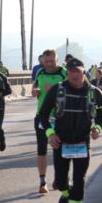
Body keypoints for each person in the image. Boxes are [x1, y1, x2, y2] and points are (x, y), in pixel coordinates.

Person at [38, 57, 102, 203]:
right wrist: (50, 134)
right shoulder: (57, 90)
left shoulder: (95, 93)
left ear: (84, 71)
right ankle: (65, 193)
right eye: (71, 71)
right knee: (61, 182)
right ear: (67, 72)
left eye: (78, 71)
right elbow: (42, 116)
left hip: (82, 143)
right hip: (61, 142)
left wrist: (97, 129)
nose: (75, 75)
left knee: (79, 181)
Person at [32, 49, 68, 193]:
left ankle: (59, 178)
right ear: (43, 61)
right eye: (46, 61)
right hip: (42, 116)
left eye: (52, 61)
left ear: (56, 60)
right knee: (42, 150)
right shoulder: (40, 72)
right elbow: (35, 86)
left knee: (59, 150)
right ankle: (42, 182)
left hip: (60, 116)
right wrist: (34, 91)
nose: (49, 64)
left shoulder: (64, 73)